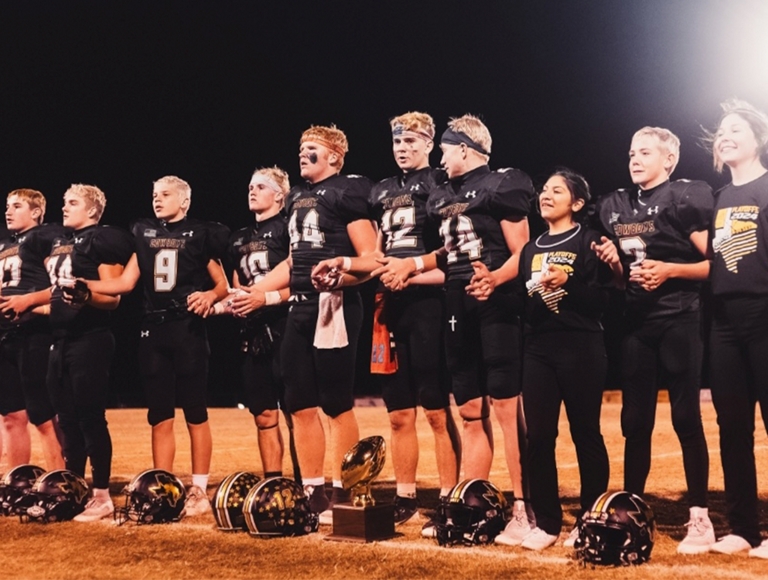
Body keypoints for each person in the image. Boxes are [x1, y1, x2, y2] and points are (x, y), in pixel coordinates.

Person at [375, 114, 533, 543]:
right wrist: (413, 264)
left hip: (497, 303)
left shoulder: (503, 184)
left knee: (506, 410)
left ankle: (524, 507)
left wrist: (496, 279)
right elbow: (449, 251)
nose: (440, 158)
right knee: (469, 411)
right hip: (456, 303)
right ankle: (471, 503)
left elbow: (526, 252)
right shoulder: (443, 194)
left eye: (445, 148)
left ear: (464, 148)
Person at [591, 127, 714, 554]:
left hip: (680, 316)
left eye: (645, 152)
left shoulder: (684, 197)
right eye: (630, 152)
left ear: (670, 160)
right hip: (634, 322)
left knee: (685, 418)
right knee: (635, 421)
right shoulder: (616, 205)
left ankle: (699, 515)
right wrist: (614, 266)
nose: (635, 159)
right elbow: (625, 275)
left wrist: (670, 270)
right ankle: (632, 509)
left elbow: (717, 266)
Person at [249, 125, 378, 524]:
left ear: (335, 156)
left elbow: (372, 258)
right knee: (299, 402)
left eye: (312, 148)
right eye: (301, 147)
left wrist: (342, 268)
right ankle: (313, 490)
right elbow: (291, 263)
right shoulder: (298, 198)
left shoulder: (346, 192)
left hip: (335, 304)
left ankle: (347, 489)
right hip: (301, 307)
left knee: (336, 402)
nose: (303, 153)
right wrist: (256, 292)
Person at [85, 175, 230, 517]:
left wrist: (210, 295)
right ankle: (162, 484)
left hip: (188, 327)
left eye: (165, 194)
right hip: (153, 328)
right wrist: (84, 284)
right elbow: (125, 282)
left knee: (195, 411)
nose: (157, 200)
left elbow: (222, 284)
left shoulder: (199, 233)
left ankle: (198, 488)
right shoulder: (143, 232)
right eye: (154, 194)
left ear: (185, 201)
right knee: (159, 414)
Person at [501, 169, 610, 551]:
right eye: (544, 189)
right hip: (538, 351)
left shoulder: (591, 239)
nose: (546, 195)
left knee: (586, 434)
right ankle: (547, 523)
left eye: (556, 190)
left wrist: (569, 283)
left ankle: (589, 518)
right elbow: (526, 303)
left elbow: (605, 302)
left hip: (581, 347)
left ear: (576, 203)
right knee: (540, 437)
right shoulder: (531, 248)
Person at [368, 112, 460, 525]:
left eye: (410, 142)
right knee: (398, 412)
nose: (402, 149)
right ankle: (405, 496)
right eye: (397, 143)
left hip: (428, 303)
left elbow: (451, 245)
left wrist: (413, 269)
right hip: (390, 304)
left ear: (428, 143)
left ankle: (448, 497)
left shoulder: (441, 183)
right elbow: (376, 247)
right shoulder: (381, 190)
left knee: (436, 409)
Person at [40, 184, 132, 521]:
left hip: (90, 338)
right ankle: (74, 487)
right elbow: (53, 297)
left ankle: (102, 494)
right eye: (64, 202)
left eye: (73, 203)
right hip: (60, 340)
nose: (65, 208)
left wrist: (85, 297)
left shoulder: (100, 240)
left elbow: (113, 297)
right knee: (66, 420)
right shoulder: (63, 242)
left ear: (93, 211)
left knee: (90, 418)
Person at [705, 99, 768, 557]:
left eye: (735, 130)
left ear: (758, 139)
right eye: (721, 132)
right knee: (732, 429)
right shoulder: (720, 198)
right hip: (724, 323)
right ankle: (744, 529)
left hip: (765, 315)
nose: (725, 136)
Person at [216, 166, 300, 481]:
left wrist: (265, 299)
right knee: (264, 415)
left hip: (287, 325)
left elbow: (301, 280)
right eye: (250, 186)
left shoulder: (290, 228)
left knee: (297, 413)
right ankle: (274, 482)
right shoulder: (238, 238)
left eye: (261, 186)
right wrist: (222, 307)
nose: (252, 191)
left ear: (280, 194)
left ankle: (307, 485)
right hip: (252, 332)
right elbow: (237, 287)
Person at [0, 189, 65, 471]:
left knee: (43, 414)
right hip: (5, 335)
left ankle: (61, 480)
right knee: (10, 416)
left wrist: (28, 302)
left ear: (36, 212)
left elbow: (64, 284)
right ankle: (17, 481)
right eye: (7, 206)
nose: (8, 211)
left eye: (16, 206)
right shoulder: (4, 245)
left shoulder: (45, 237)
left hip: (37, 332)